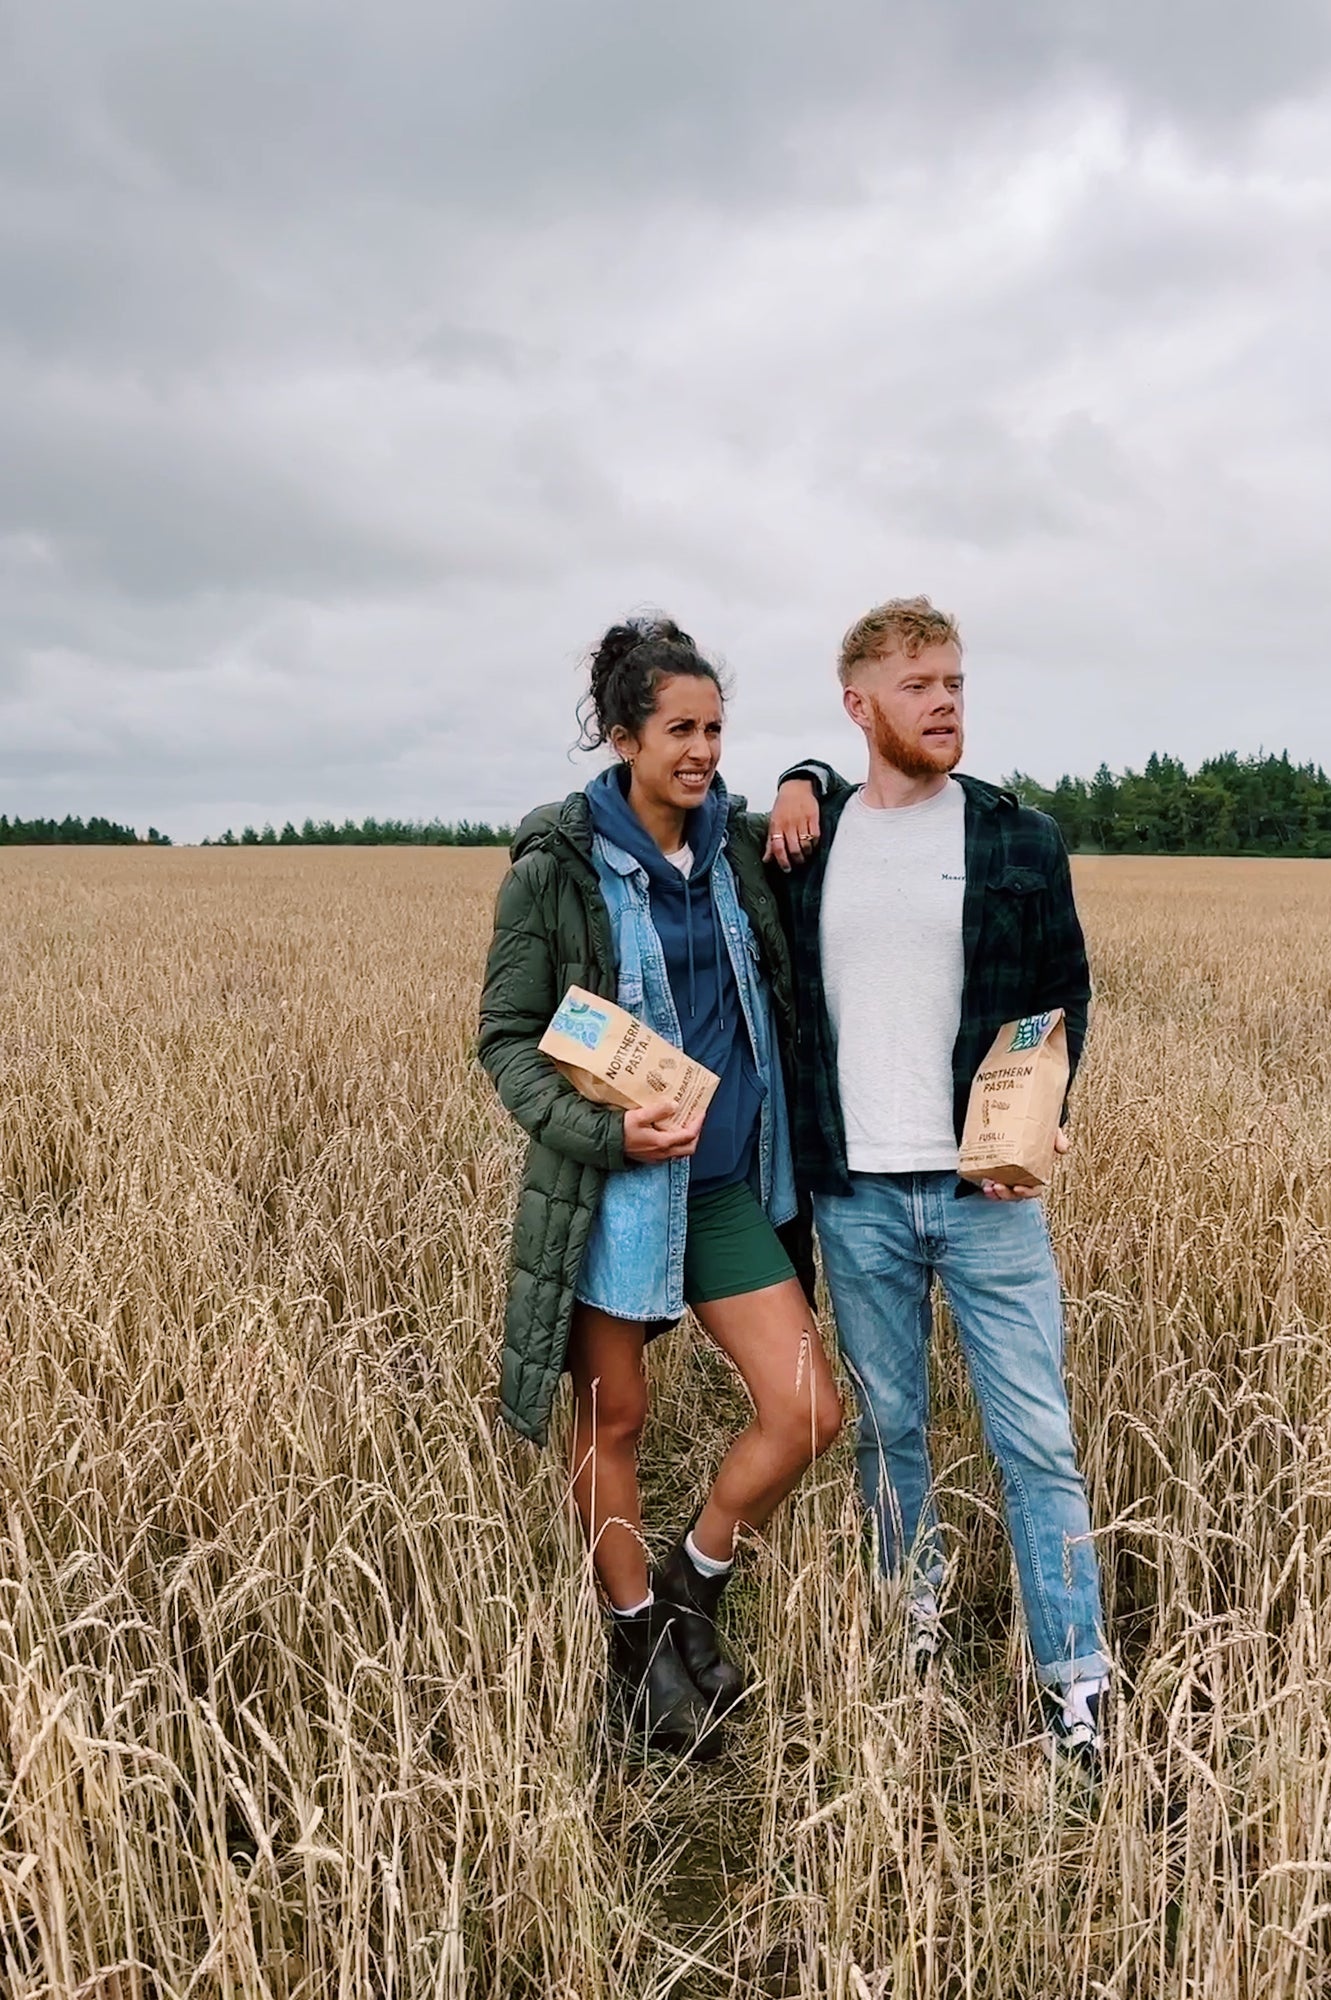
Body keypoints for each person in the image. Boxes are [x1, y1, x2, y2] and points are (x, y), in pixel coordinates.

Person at [477, 616, 842, 1763]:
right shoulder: (559, 863)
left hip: (730, 1183)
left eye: (717, 729)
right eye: (679, 729)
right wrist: (606, 1130)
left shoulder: (733, 846)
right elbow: (506, 1040)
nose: (701, 750)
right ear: (624, 733)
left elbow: (841, 795)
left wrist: (802, 774)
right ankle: (638, 1651)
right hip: (620, 1195)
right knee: (615, 1419)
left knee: (808, 1411)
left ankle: (693, 1585)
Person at [766, 595, 1110, 1768]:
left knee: (1038, 1441)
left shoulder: (1020, 837)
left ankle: (1077, 1687)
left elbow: (1064, 992)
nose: (947, 701)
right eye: (918, 685)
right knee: (890, 1429)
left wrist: (1044, 1113)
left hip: (986, 1197)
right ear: (859, 703)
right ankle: (908, 1621)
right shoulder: (804, 848)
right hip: (855, 1190)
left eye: (956, 681)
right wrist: (800, 775)